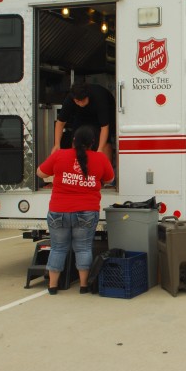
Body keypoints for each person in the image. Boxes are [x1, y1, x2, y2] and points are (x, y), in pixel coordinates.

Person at [37, 126, 115, 295]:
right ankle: (83, 285)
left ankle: (52, 286)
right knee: (83, 248)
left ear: (73, 141)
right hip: (87, 211)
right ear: (93, 143)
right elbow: (110, 179)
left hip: (59, 210)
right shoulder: (100, 158)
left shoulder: (59, 155)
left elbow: (40, 173)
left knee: (58, 248)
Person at [54, 82, 116, 162]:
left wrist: (100, 149)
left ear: (87, 96)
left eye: (82, 100)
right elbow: (60, 122)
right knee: (77, 137)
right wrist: (57, 144)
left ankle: (106, 168)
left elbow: (104, 127)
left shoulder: (99, 97)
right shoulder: (70, 99)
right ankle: (77, 167)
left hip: (102, 113)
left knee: (104, 143)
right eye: (77, 101)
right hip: (81, 115)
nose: (80, 103)